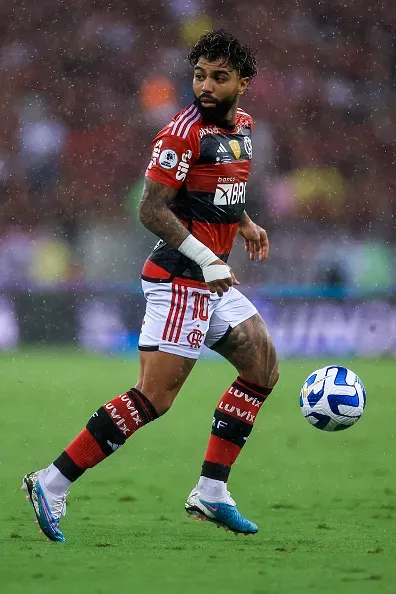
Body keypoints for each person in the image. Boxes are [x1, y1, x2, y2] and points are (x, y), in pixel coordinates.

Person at [22, 30, 279, 542]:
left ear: (244, 83)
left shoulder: (243, 128)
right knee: (153, 399)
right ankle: (50, 482)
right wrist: (208, 257)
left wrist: (244, 222)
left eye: (218, 77)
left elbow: (217, 191)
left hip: (209, 279)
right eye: (199, 75)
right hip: (181, 278)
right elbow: (151, 210)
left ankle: (210, 492)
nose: (205, 85)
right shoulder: (179, 134)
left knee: (262, 368)